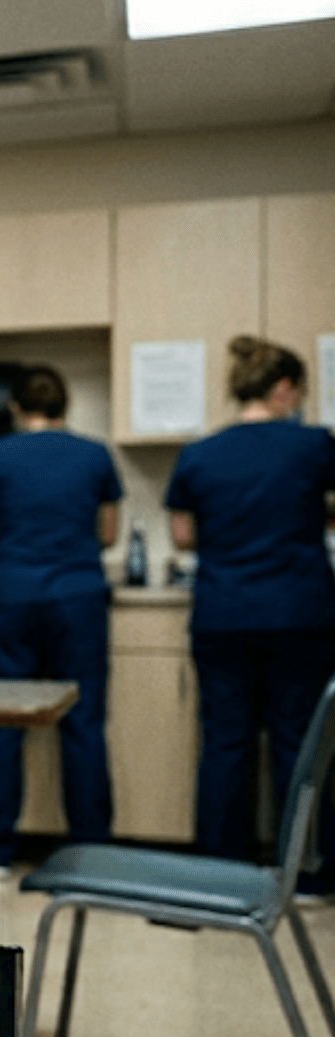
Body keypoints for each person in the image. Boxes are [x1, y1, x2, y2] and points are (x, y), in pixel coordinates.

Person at [165, 335, 335, 868]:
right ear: (285, 389)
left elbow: (183, 535)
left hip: (222, 614)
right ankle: (302, 870)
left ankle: (219, 867)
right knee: (297, 745)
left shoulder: (198, 454)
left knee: (225, 745)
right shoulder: (314, 446)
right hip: (297, 613)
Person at [0, 365, 123, 867]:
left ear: (17, 408)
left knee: (4, 723)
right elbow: (108, 535)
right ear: (65, 405)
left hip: (12, 595)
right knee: (83, 719)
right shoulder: (96, 455)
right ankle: (91, 845)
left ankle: (0, 850)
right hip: (77, 595)